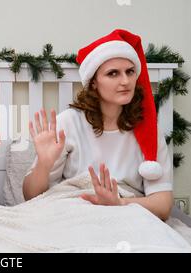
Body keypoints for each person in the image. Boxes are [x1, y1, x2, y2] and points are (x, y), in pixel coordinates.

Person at [23, 29, 173, 221]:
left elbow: (163, 204)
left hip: (126, 213)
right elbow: (30, 197)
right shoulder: (68, 122)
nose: (125, 81)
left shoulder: (148, 130)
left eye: (130, 72)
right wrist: (43, 164)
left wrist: (118, 204)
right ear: (93, 82)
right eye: (113, 74)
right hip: (72, 211)